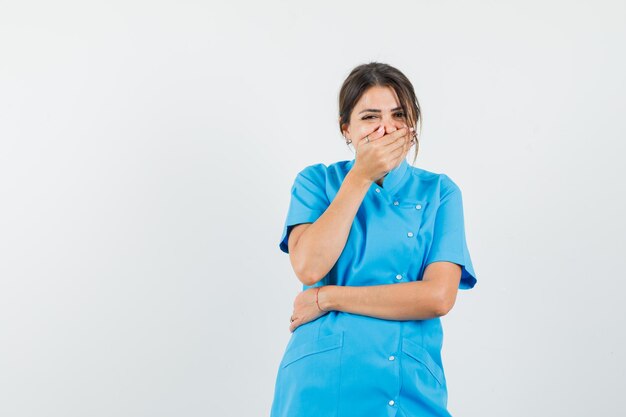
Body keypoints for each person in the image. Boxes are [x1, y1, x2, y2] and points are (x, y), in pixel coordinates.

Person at [269, 62, 478, 417]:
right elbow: (309, 265)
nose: (386, 128)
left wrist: (327, 297)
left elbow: (438, 297)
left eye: (398, 114)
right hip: (320, 384)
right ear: (346, 129)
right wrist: (360, 177)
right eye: (369, 117)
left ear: (412, 127)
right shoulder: (316, 183)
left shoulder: (440, 192)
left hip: (408, 384)